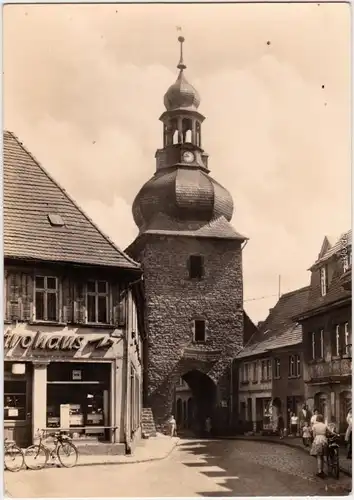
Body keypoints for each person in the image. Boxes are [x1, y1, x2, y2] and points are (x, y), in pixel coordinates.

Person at [310, 414, 334, 478]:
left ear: (317, 419)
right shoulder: (324, 425)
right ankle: (324, 470)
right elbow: (330, 432)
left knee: (319, 457)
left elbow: (313, 435)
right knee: (323, 456)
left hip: (317, 441)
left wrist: (315, 438)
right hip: (324, 441)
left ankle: (320, 471)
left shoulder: (314, 426)